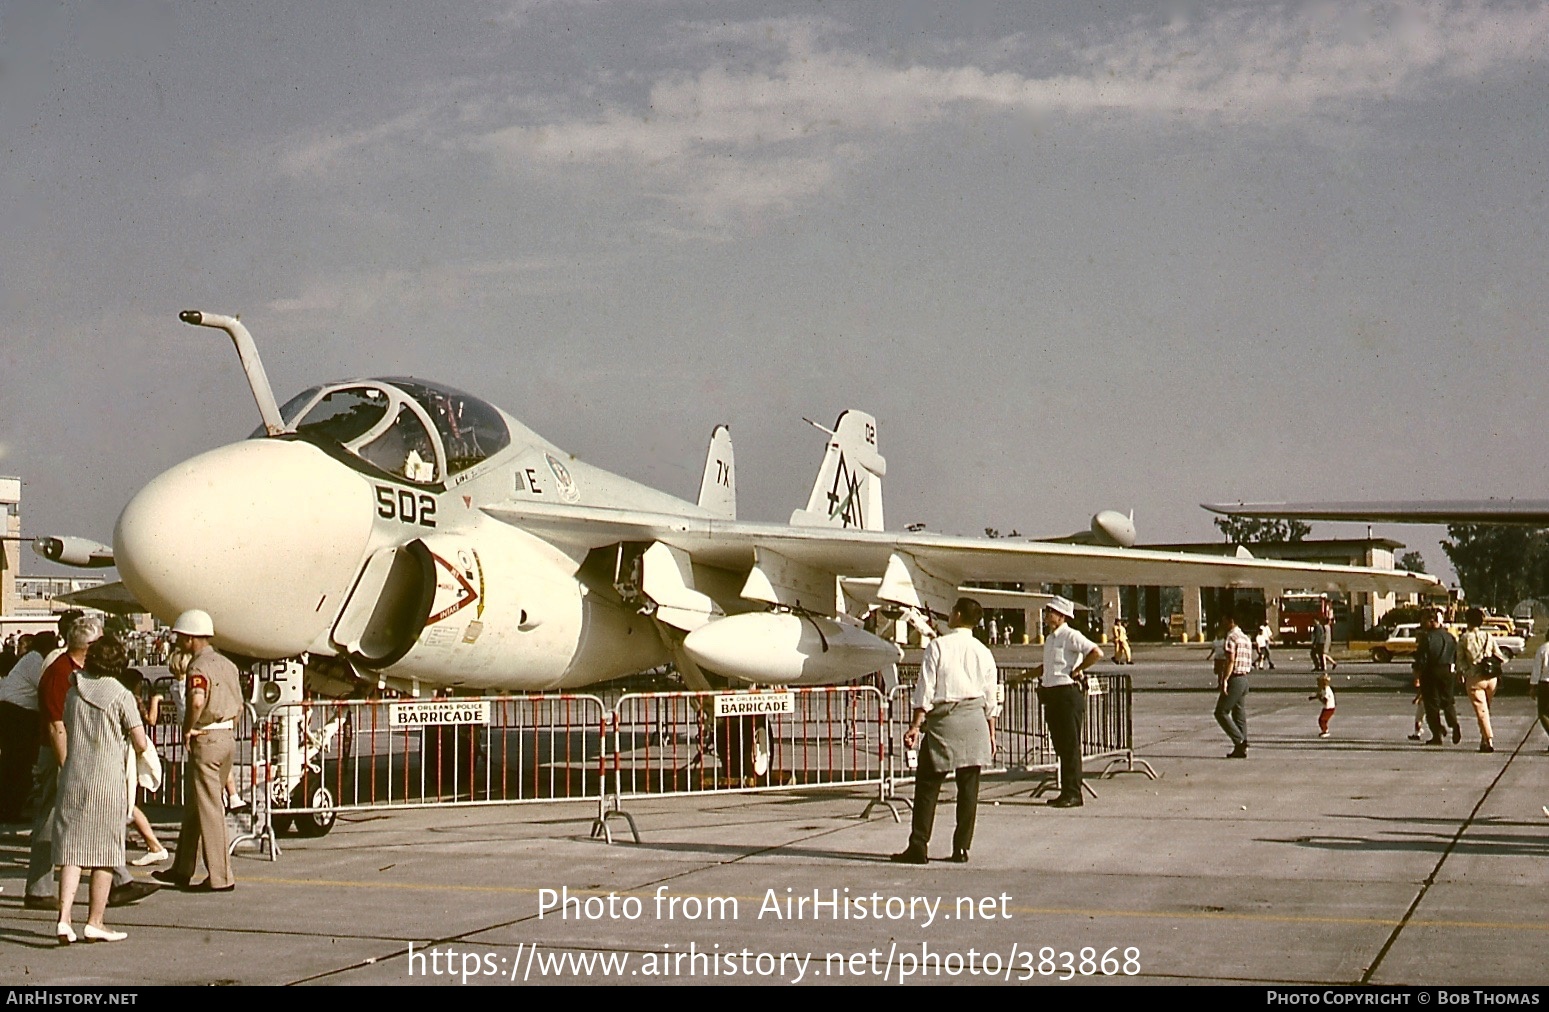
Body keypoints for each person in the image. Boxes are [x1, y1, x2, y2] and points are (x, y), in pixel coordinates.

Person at [23, 616, 158, 910]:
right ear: (88, 646)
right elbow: (56, 726)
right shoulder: (62, 674)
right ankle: (40, 888)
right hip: (63, 753)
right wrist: (65, 765)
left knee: (65, 821)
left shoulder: (78, 674)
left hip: (75, 755)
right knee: (52, 821)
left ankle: (119, 880)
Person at [53, 637, 155, 944]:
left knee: (71, 850)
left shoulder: (74, 691)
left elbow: (69, 728)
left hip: (73, 775)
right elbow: (139, 740)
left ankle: (63, 919)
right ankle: (95, 921)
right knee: (105, 853)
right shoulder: (120, 695)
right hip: (106, 780)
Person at [891, 598, 999, 865]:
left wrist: (916, 725)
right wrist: (992, 733)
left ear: (958, 614)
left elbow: (925, 690)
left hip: (945, 722)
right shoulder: (984, 651)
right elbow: (991, 697)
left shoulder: (938, 646)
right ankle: (961, 848)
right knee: (969, 789)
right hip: (974, 720)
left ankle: (918, 845)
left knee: (928, 785)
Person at [154, 609, 242, 892]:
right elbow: (239, 704)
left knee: (209, 809)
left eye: (181, 637)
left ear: (191, 639)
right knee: (196, 805)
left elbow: (196, 701)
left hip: (206, 738)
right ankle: (182, 869)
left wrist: (188, 729)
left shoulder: (198, 667)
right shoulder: (228, 664)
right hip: (227, 735)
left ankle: (220, 877)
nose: (178, 642)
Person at [1029, 596, 1102, 806]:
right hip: (1052, 693)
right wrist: (1023, 677)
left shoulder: (1070, 635)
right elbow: (1046, 667)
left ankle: (1074, 793)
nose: (1046, 615)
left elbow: (1095, 652)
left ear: (1061, 616)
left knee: (1070, 746)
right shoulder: (1051, 639)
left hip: (1067, 693)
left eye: (1050, 611)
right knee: (1060, 745)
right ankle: (1065, 790)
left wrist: (1077, 670)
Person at [0, 632, 53, 821]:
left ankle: (9, 807)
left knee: (12, 762)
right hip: (19, 713)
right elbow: (45, 687)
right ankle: (10, 809)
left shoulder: (29, 659)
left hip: (12, 710)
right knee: (18, 764)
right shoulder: (36, 661)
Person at [1456, 607, 1506, 753]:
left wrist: (1463, 672)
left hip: (1474, 677)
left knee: (1481, 711)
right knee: (1486, 710)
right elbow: (1499, 655)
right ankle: (1483, 740)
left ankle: (1489, 739)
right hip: (1491, 677)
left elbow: (1460, 660)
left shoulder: (1464, 638)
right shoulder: (1488, 636)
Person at [1413, 607, 1461, 746]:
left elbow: (1422, 658)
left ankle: (1437, 734)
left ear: (1431, 621)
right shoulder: (1450, 637)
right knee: (1448, 701)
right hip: (1448, 671)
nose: (1422, 623)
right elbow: (1455, 655)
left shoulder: (1426, 637)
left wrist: (1417, 672)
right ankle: (1454, 724)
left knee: (1432, 704)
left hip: (1431, 672)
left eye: (1424, 620)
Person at [1214, 613, 1254, 758]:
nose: (1222, 624)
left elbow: (1230, 660)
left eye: (1224, 621)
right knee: (1239, 713)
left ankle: (1240, 741)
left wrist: (1224, 679)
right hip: (1244, 678)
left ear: (1231, 621)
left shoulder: (1231, 637)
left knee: (1221, 712)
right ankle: (1240, 749)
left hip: (1235, 678)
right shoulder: (1245, 638)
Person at [1532, 638, 1549, 752]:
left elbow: (1537, 669)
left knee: (1543, 713)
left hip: (1545, 683)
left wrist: (1533, 686)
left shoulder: (1543, 649)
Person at [1310, 672, 1336, 738]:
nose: (1317, 684)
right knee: (1323, 720)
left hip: (1329, 708)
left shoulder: (1327, 691)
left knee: (1322, 720)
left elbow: (1325, 701)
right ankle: (1324, 730)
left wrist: (1319, 698)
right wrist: (1314, 697)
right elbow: (1320, 695)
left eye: (1319, 683)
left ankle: (1325, 731)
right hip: (1328, 707)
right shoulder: (1324, 689)